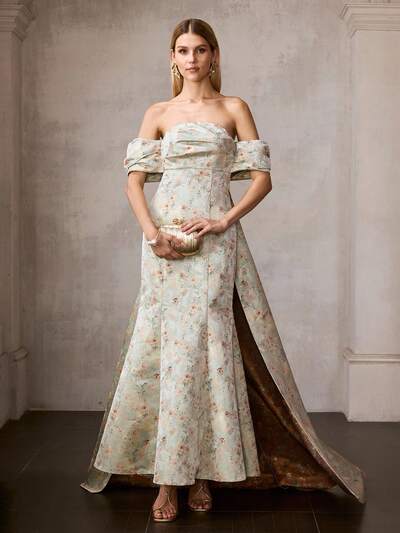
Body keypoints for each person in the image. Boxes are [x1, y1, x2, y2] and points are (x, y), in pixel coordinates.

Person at [80, 18, 366, 523]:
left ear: (214, 55)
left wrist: (222, 221)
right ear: (172, 58)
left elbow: (262, 179)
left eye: (200, 49)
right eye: (182, 50)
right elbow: (133, 183)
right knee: (166, 352)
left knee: (209, 351)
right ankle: (168, 480)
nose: (191, 59)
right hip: (164, 242)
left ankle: (204, 473)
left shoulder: (234, 108)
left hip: (215, 242)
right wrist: (153, 234)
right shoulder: (158, 112)